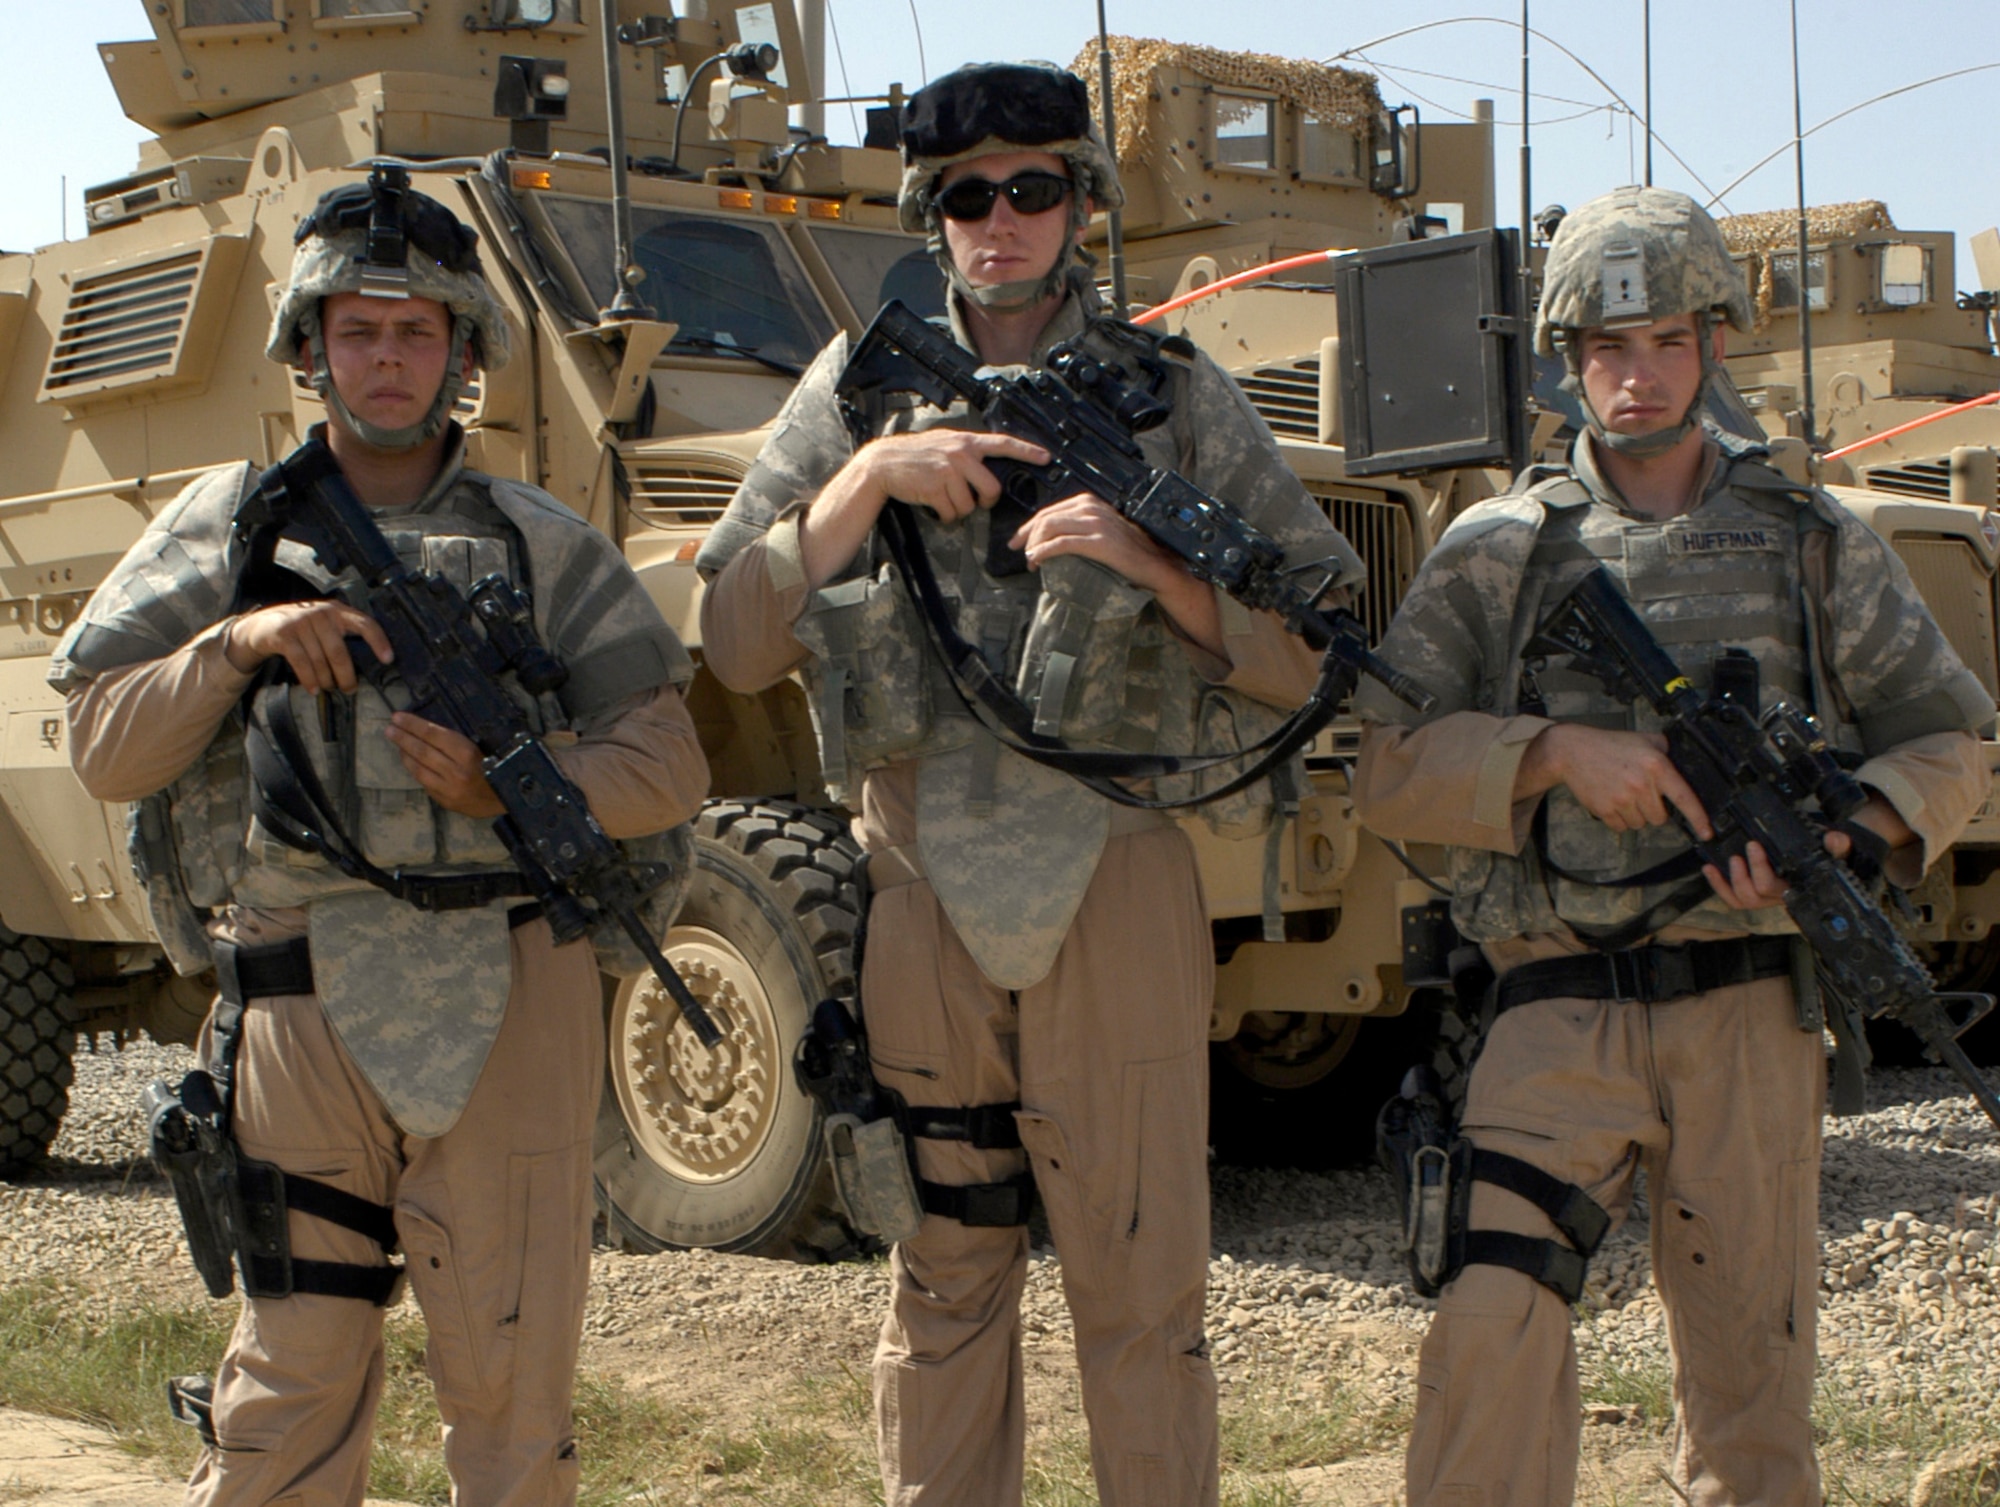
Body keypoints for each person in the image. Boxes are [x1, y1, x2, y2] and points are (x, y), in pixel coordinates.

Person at [695, 60, 1362, 1507]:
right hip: (920, 883)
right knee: (945, 1279)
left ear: (1082, 204)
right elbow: (732, 637)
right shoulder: (853, 389)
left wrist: (1152, 567)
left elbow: (1316, 646)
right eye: (965, 197)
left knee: (1141, 1296)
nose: (999, 224)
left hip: (1114, 874)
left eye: (1032, 191)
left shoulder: (1172, 398)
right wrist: (863, 483)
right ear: (930, 216)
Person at [52, 169, 709, 1507]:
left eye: (419, 333)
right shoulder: (229, 531)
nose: (389, 359)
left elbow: (670, 766)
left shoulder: (541, 544)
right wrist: (237, 642)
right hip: (302, 1002)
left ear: (465, 353)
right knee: (289, 1385)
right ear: (309, 346)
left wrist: (511, 785)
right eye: (359, 329)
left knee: (513, 1396)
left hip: (510, 985)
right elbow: (106, 746)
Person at [1352, 185, 1994, 1507]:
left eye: (1665, 345)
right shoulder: (1497, 554)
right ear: (1568, 355)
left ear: (1714, 345)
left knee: (1754, 1389)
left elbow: (1955, 740)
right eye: (1604, 347)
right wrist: (1546, 754)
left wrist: (1852, 829)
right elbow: (1386, 767)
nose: (1635, 377)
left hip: (1750, 1013)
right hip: (1553, 1006)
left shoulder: (1815, 544)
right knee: (1491, 1340)